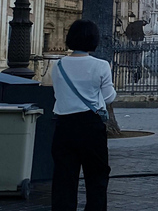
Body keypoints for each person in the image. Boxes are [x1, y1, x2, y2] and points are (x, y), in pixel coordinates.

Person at [50, 19, 116, 211]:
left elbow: (58, 94)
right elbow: (109, 97)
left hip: (64, 125)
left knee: (64, 178)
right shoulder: (101, 65)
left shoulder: (59, 66)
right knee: (96, 177)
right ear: (93, 40)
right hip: (90, 125)